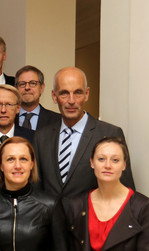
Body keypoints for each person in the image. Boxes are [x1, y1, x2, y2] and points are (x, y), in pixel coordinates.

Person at [34, 67, 135, 211]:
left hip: (92, 227)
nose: (71, 101)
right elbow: (36, 189)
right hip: (51, 228)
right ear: (54, 96)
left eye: (78, 93)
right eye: (64, 93)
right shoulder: (41, 137)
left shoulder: (109, 133)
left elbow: (124, 190)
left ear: (87, 94)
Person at [14, 65, 61, 130]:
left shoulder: (58, 120)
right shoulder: (7, 117)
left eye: (33, 83)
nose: (27, 87)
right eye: (22, 84)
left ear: (42, 88)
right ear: (16, 89)